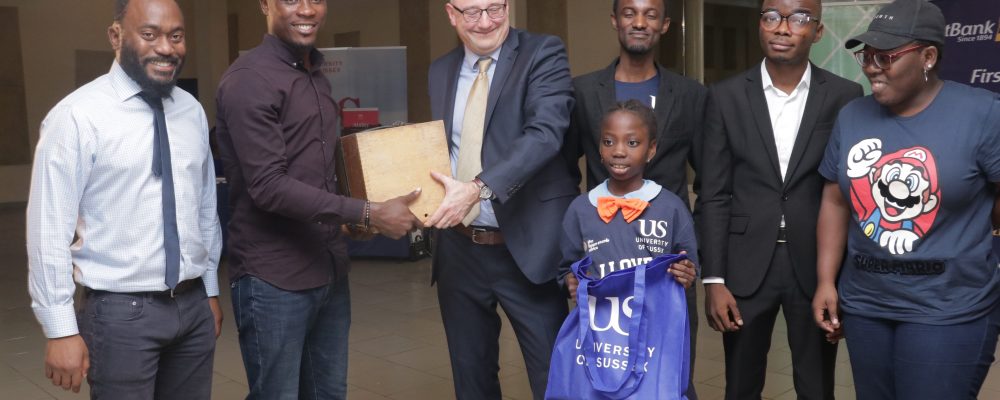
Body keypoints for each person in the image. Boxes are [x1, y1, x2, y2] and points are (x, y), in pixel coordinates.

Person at [214, 0, 421, 398]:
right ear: (265, 4)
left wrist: (349, 220)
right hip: (273, 279)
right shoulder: (249, 79)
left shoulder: (315, 75)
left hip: (328, 270)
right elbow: (269, 186)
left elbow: (315, 172)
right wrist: (368, 212)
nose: (307, 10)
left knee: (328, 393)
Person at [26, 0, 223, 397]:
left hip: (193, 308)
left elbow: (204, 208)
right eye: (149, 34)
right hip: (120, 316)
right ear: (116, 36)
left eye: (176, 36)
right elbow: (48, 230)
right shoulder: (77, 116)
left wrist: (210, 288)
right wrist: (60, 329)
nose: (166, 47)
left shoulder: (191, 111)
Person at [813, 0, 1000, 398]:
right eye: (867, 56)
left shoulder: (982, 114)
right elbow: (835, 201)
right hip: (866, 305)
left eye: (886, 57)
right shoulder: (852, 116)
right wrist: (827, 280)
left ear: (928, 57)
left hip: (948, 310)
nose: (871, 67)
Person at [697, 0, 862, 397]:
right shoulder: (725, 96)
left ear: (817, 31)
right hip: (744, 263)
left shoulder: (845, 95)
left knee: (816, 386)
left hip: (816, 263)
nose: (783, 28)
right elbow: (714, 193)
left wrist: (843, 279)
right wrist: (713, 279)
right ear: (760, 25)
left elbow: (849, 194)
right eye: (771, 17)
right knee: (740, 385)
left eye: (798, 18)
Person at [424, 0, 577, 398]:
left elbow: (545, 133)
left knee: (554, 378)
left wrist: (478, 188)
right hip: (459, 248)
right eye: (472, 12)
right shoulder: (440, 70)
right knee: (471, 379)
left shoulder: (542, 53)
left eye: (495, 8)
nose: (485, 21)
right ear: (451, 14)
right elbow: (441, 151)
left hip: (526, 244)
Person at [565, 1, 708, 396]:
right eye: (629, 12)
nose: (640, 22)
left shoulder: (691, 95)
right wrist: (571, 267)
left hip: (668, 275)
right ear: (615, 20)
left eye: (650, 14)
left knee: (670, 376)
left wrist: (696, 262)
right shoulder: (582, 91)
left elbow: (710, 184)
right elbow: (564, 173)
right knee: (604, 375)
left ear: (665, 24)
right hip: (605, 272)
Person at [560, 100, 698, 296]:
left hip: (656, 314)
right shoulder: (580, 209)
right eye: (608, 142)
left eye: (632, 143)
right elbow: (567, 269)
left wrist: (687, 273)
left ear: (651, 149)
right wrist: (570, 281)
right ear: (599, 147)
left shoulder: (671, 207)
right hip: (601, 314)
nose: (618, 151)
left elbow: (689, 267)